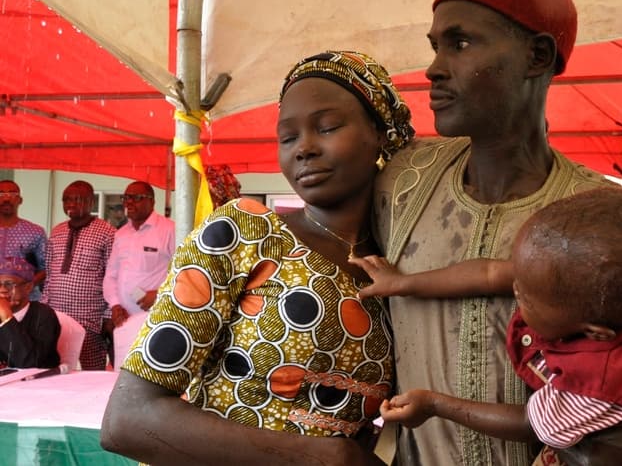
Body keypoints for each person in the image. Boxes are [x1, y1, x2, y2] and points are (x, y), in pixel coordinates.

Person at [372, 0, 622, 465]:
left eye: (459, 44)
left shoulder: (611, 218)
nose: (433, 68)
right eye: (435, 45)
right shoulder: (399, 184)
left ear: (537, 56)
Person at [100, 50, 414, 465]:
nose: (304, 148)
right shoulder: (245, 231)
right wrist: (322, 456)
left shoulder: (406, 265)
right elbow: (129, 420)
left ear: (379, 132)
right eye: (287, 137)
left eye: (327, 127)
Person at [353, 188, 622, 456]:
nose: (515, 289)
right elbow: (489, 272)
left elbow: (533, 423)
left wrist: (434, 404)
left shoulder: (603, 386)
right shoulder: (587, 282)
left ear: (594, 334)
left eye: (526, 298)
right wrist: (403, 284)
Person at [43, 181, 115, 371]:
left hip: (90, 318)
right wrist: (43, 309)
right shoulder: (57, 231)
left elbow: (112, 276)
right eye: (66, 199)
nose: (70, 204)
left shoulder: (107, 232)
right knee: (55, 365)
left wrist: (108, 315)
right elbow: (49, 275)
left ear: (91, 202)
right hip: (56, 315)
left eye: (77, 199)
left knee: (91, 368)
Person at [102, 181, 175, 367]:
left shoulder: (169, 230)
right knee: (123, 373)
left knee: (153, 372)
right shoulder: (121, 233)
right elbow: (111, 275)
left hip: (156, 319)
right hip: (124, 319)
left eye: (136, 197)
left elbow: (184, 272)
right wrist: (115, 305)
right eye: (126, 198)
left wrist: (159, 294)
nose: (129, 202)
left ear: (152, 202)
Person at [0, 257, 60, 368]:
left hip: (39, 383)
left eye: (9, 284)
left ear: (28, 287)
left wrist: (7, 317)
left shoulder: (44, 315)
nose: (2, 290)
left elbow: (30, 363)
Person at [0, 179, 47, 302]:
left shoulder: (35, 232)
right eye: (1, 194)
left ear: (20, 200)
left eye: (12, 194)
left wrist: (26, 286)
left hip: (25, 301)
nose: (6, 199)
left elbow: (46, 268)